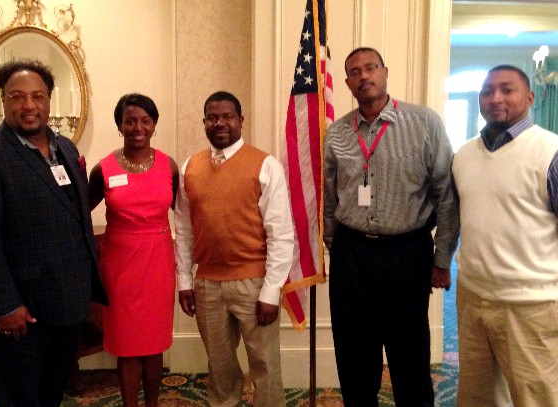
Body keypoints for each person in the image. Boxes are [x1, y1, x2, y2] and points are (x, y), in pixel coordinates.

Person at [0, 59, 107, 407]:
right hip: (20, 313)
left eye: (37, 96)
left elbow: (74, 217)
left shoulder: (65, 149)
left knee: (50, 395)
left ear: (49, 100)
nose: (28, 105)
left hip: (66, 305)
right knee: (18, 399)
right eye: (17, 96)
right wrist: (6, 305)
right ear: (3, 100)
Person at [323, 47, 459, 406]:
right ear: (348, 82)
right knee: (354, 353)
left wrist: (442, 258)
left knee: (409, 354)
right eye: (355, 72)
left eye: (371, 68)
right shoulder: (337, 132)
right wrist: (334, 246)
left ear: (385, 72)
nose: (364, 76)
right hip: (351, 255)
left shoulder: (424, 123)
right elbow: (329, 195)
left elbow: (446, 194)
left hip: (406, 253)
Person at [174, 91, 294, 407]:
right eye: (213, 117)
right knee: (219, 364)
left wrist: (271, 291)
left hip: (254, 285)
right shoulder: (190, 168)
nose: (220, 123)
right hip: (207, 285)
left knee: (264, 364)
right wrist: (184, 281)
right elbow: (184, 230)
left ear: (241, 120)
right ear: (204, 123)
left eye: (227, 116)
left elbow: (281, 234)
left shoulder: (265, 165)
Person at [452, 65, 558, 407]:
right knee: (476, 398)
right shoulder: (463, 155)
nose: (495, 98)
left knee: (536, 397)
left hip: (530, 305)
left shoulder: (550, 152)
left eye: (507, 90)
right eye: (487, 91)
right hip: (472, 298)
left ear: (529, 98)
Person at [88, 93, 178, 407]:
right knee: (127, 345)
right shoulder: (104, 169)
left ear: (154, 125)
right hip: (119, 266)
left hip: (158, 262)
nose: (137, 127)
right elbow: (80, 211)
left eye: (145, 120)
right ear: (120, 126)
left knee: (153, 343)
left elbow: (180, 209)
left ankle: (151, 403)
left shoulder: (170, 166)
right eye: (130, 121)